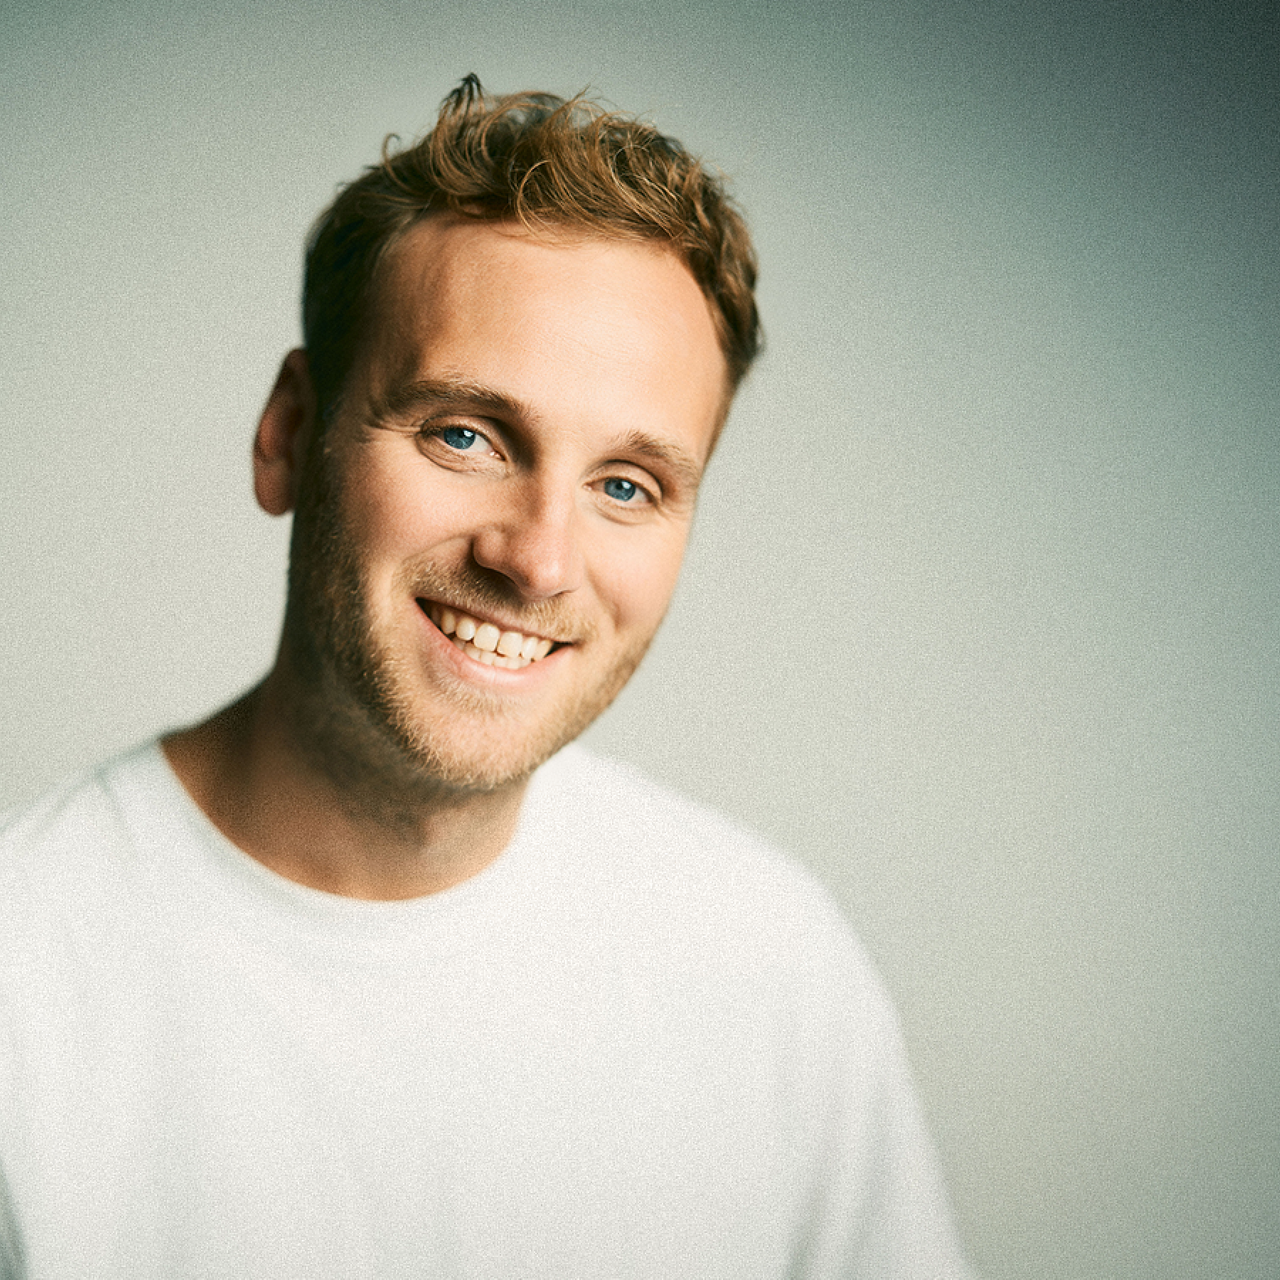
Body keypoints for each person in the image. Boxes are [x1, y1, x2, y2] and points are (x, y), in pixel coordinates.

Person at [0, 77, 972, 1279]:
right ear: (289, 433)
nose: (538, 559)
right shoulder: (26, 984)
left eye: (626, 484)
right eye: (464, 434)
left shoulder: (770, 968)